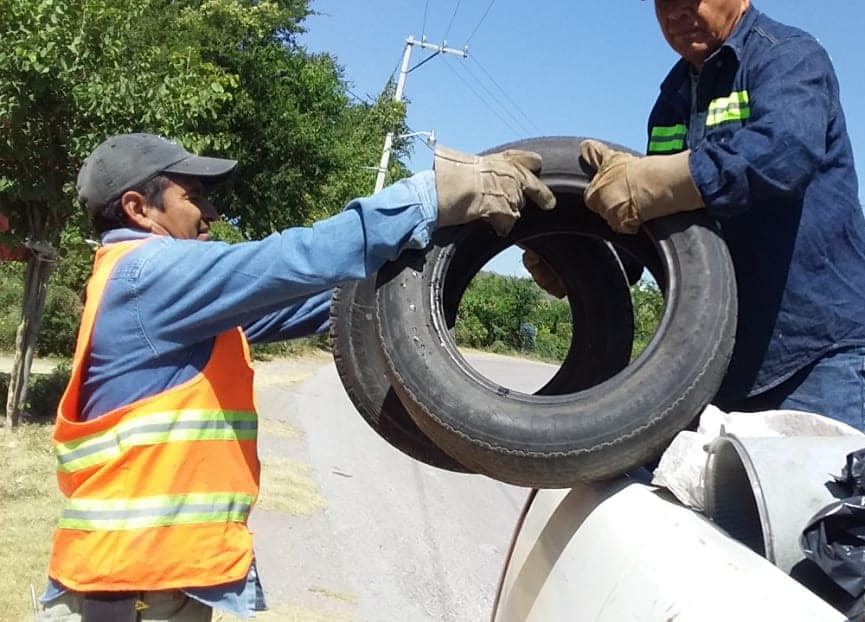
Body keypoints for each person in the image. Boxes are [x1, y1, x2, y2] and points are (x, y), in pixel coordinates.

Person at [37, 133, 554, 621]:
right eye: (192, 195)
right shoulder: (145, 273)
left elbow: (326, 303)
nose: (210, 212)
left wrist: (448, 268)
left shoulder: (163, 293)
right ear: (137, 208)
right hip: (134, 585)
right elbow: (289, 260)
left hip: (148, 574)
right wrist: (432, 196)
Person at [528, 0, 865, 430]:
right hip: (711, 357)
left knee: (803, 496)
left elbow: (784, 155)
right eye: (664, 3)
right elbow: (662, 229)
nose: (676, 13)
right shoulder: (672, 98)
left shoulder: (786, 56)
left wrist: (661, 180)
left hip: (811, 356)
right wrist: (581, 262)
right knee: (700, 497)